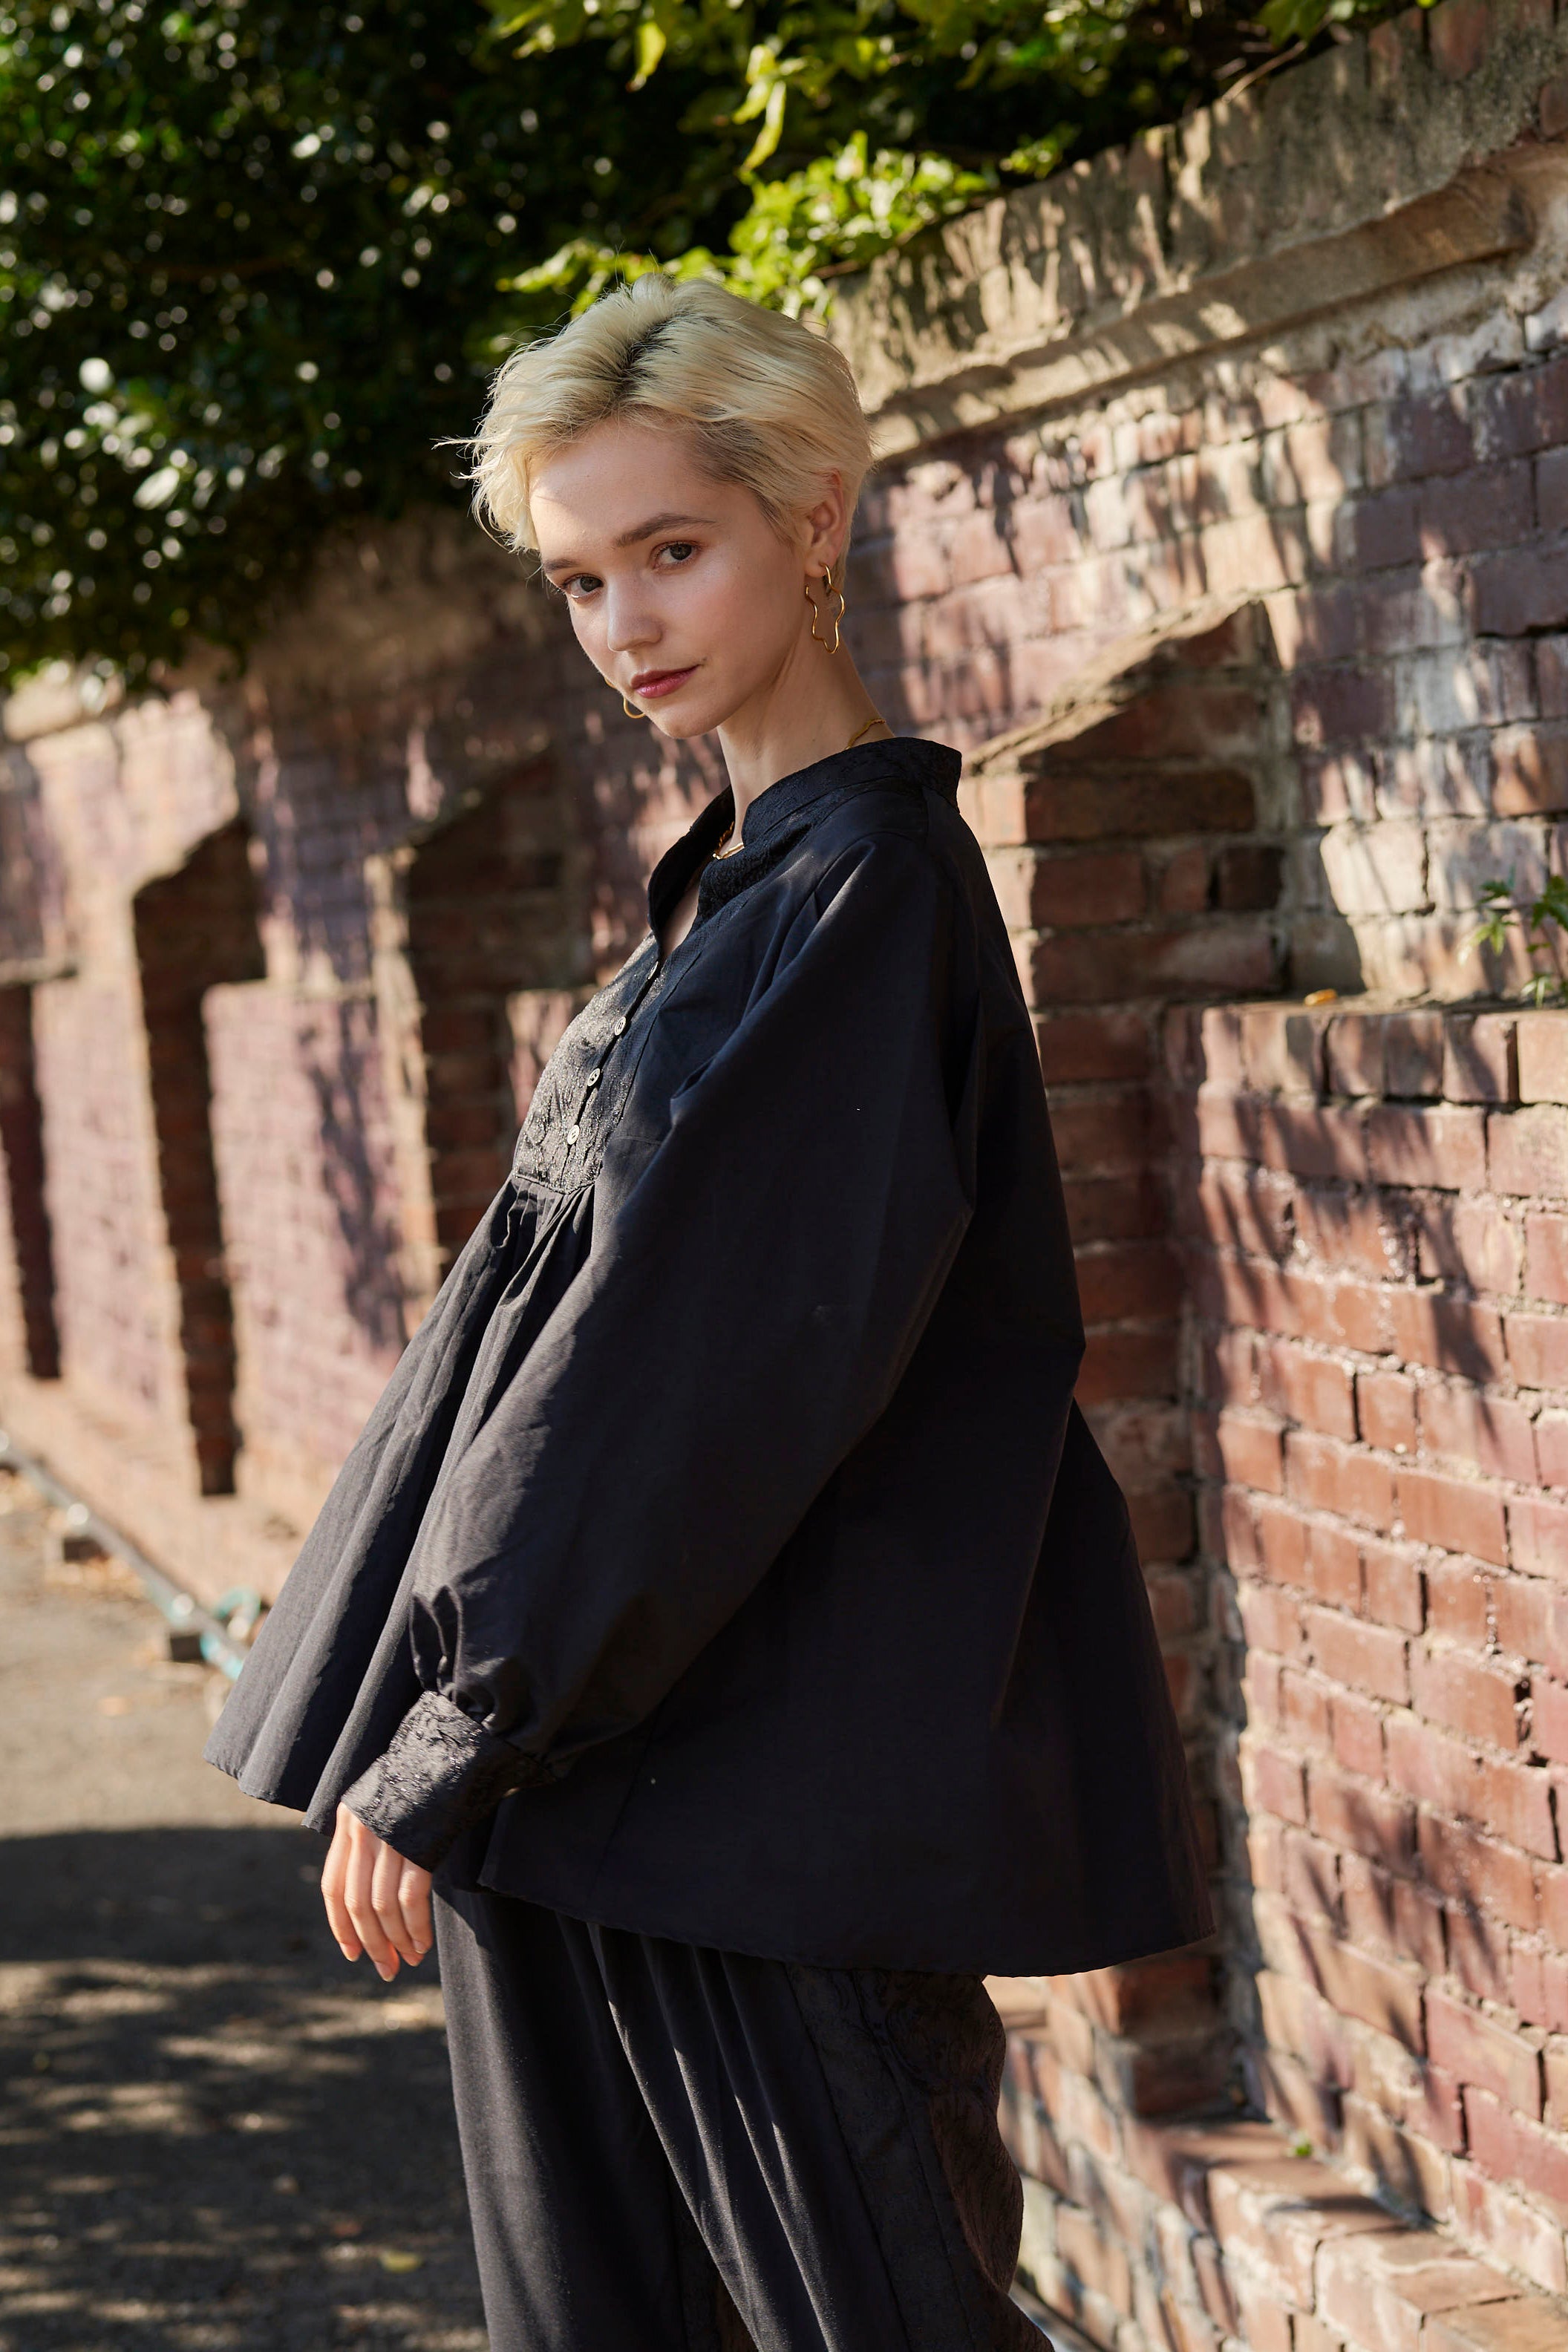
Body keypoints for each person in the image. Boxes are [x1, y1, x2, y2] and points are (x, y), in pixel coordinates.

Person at [206, 273, 1212, 2352]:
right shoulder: (736, 888)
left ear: (813, 516)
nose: (624, 624)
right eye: (582, 579)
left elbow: (699, 1377)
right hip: (600, 1811)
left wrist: (457, 1725)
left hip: (757, 1833)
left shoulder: (863, 900)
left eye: (673, 550)